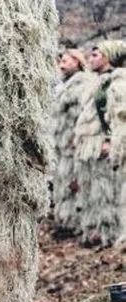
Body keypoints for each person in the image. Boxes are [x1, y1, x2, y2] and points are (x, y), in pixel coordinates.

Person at [73, 40, 126, 247]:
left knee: (107, 194)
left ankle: (110, 236)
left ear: (109, 57)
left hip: (104, 146)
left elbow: (119, 118)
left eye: (96, 55)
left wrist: (111, 142)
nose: (90, 59)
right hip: (90, 146)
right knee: (93, 193)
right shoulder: (97, 82)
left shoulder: (117, 83)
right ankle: (96, 233)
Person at [51, 49, 92, 238]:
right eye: (61, 61)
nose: (61, 64)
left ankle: (74, 222)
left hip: (72, 140)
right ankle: (64, 220)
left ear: (77, 61)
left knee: (74, 182)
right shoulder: (62, 85)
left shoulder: (82, 83)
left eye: (66, 61)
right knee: (62, 180)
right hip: (60, 141)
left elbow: (82, 113)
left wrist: (77, 136)